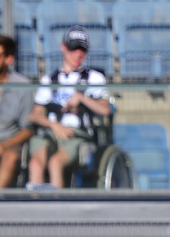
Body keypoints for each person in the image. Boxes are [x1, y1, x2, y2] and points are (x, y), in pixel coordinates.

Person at [27, 26, 111, 189]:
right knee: (36, 163)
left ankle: (57, 207)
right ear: (64, 48)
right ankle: (36, 206)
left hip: (77, 134)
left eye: (82, 50)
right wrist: (54, 126)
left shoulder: (94, 77)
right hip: (51, 131)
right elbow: (35, 114)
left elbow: (105, 109)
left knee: (55, 163)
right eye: (74, 49)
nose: (78, 54)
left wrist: (81, 98)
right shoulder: (50, 79)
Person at [0, 35, 34, 188]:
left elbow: (27, 129)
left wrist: (4, 145)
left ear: (9, 59)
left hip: (9, 143)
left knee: (11, 157)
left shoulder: (22, 86)